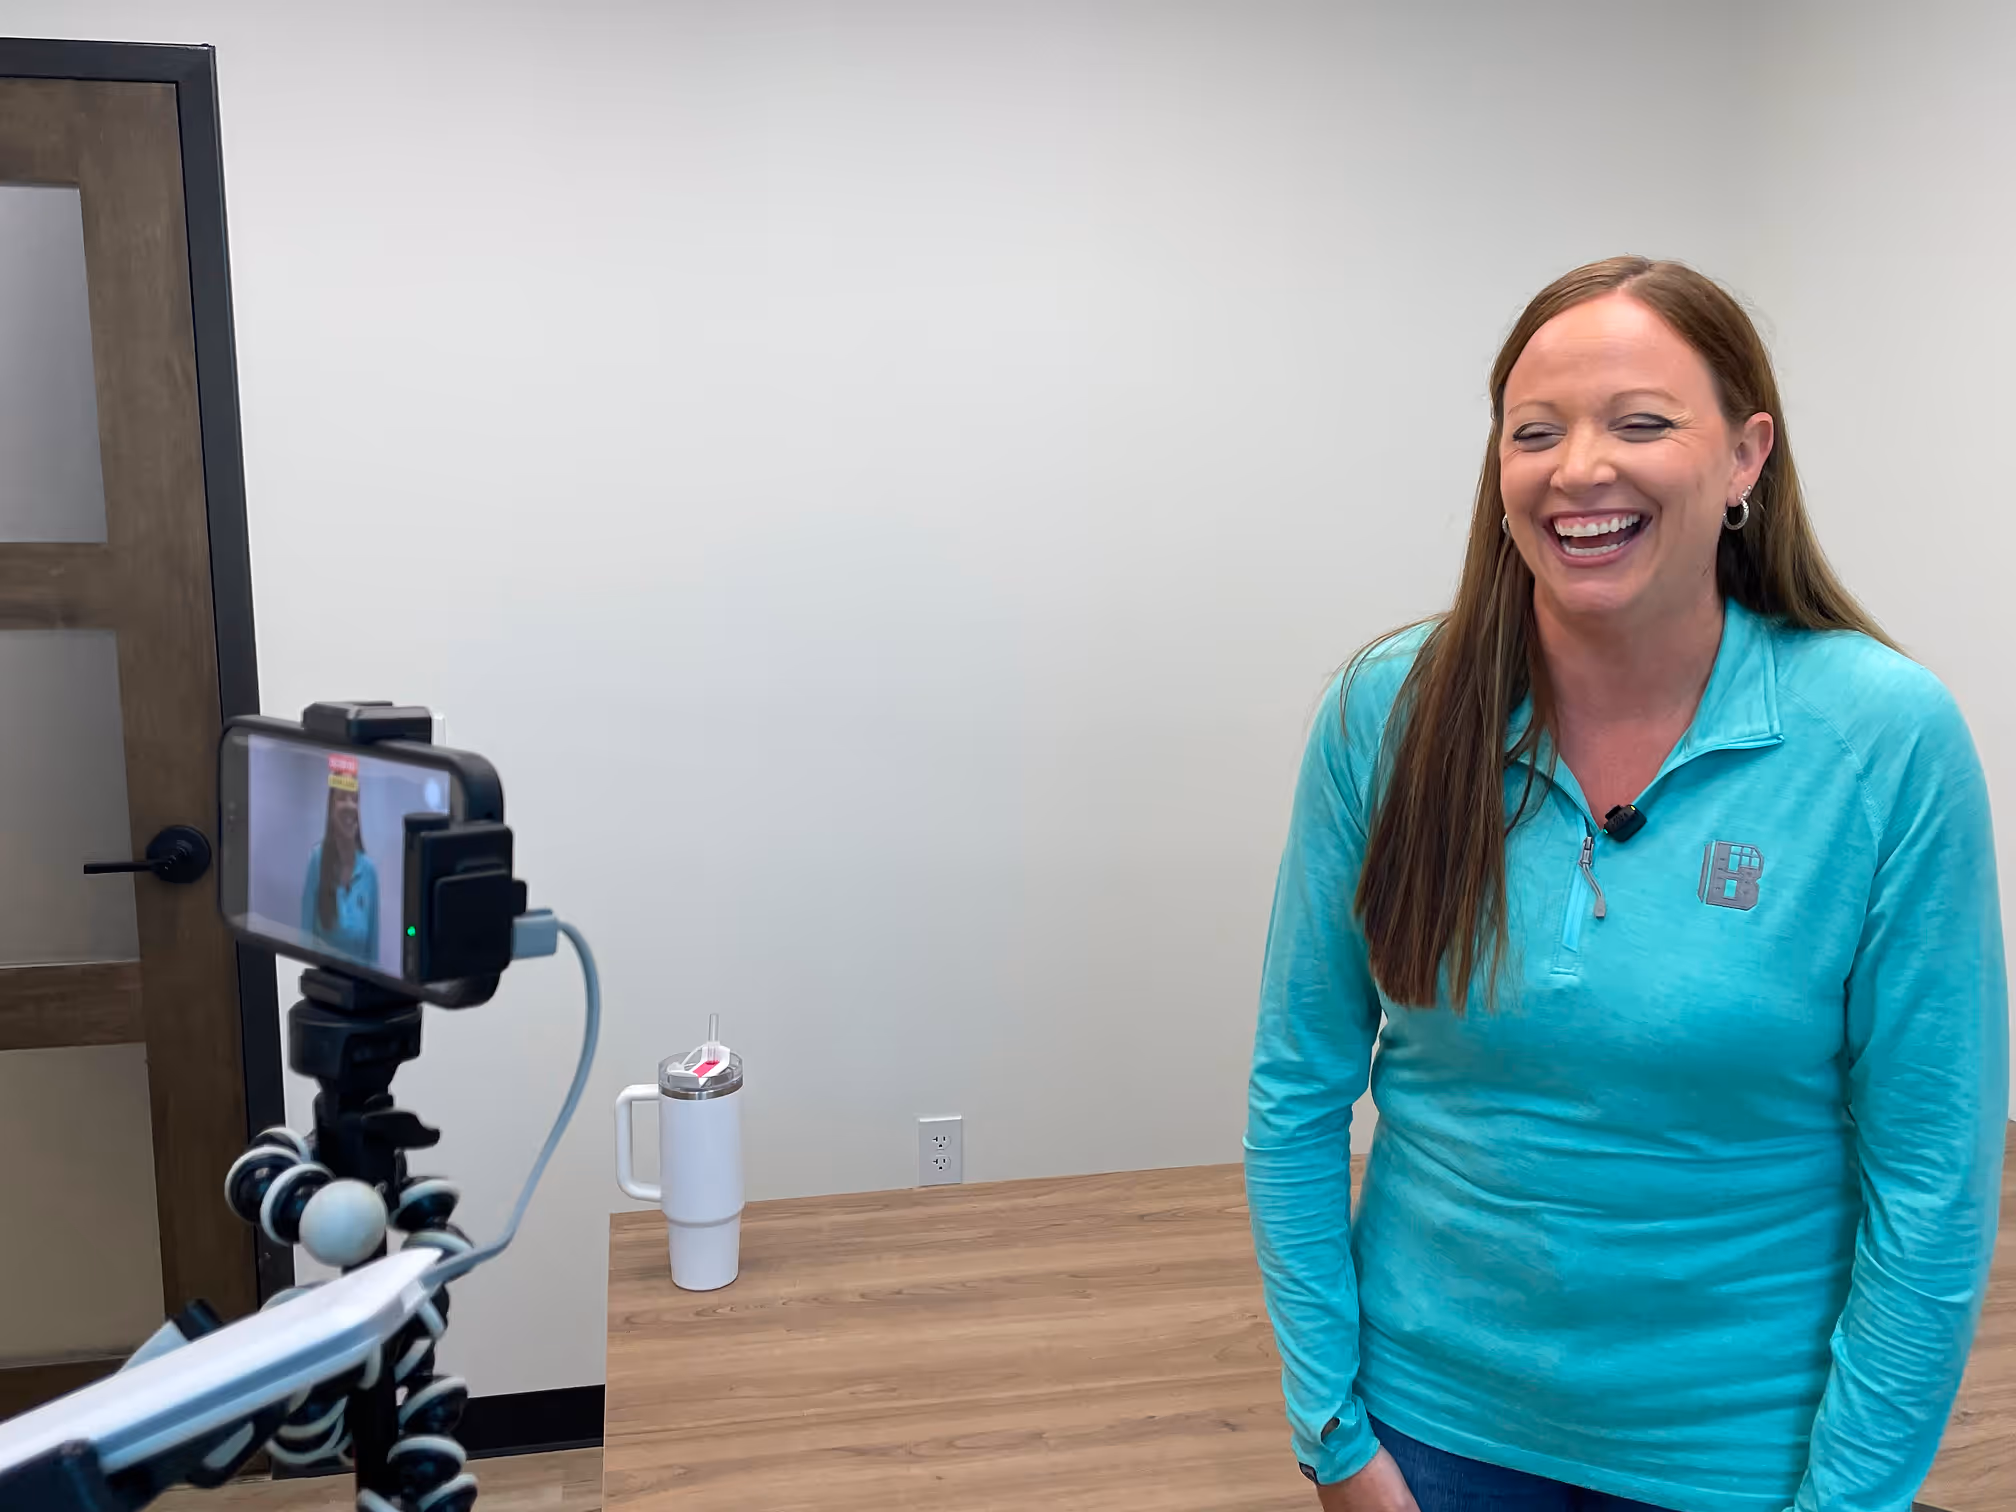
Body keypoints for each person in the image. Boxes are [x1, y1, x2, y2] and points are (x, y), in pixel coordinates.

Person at [1246, 256, 2006, 1512]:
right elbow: (1294, 1091)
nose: (1579, 468)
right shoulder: (1387, 716)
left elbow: (1932, 1176)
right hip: (1430, 1439)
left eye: (1642, 423)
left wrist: (1852, 1498)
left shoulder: (1882, 740)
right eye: (1533, 432)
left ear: (1747, 456)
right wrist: (1334, 1434)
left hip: (1751, 1456)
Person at [301, 753, 380, 966]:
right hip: (324, 987)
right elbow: (304, 938)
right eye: (342, 798)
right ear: (331, 808)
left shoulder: (370, 871)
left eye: (354, 799)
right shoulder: (317, 861)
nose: (349, 806)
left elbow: (373, 954)